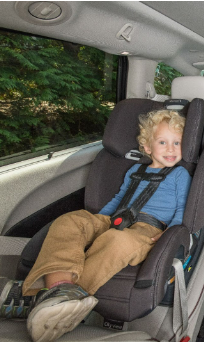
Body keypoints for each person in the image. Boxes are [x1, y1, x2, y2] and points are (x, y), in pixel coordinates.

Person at [0, 109, 192, 341]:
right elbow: (118, 200)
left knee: (116, 240)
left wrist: (170, 234)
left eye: (177, 143)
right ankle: (58, 289)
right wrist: (95, 224)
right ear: (148, 147)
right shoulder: (135, 170)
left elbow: (182, 210)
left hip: (147, 229)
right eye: (163, 142)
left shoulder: (179, 174)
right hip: (115, 219)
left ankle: (43, 298)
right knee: (71, 220)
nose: (171, 149)